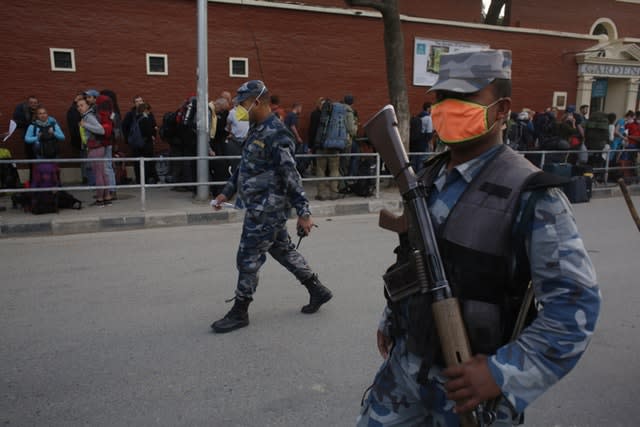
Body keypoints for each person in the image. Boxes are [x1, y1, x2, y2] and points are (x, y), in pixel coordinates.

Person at [357, 49, 601, 426]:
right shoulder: (427, 176)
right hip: (405, 370)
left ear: (502, 109)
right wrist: (392, 316)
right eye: (441, 98)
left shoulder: (533, 195)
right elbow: (413, 258)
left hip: (471, 388)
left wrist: (502, 372)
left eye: (465, 99)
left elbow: (574, 309)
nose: (447, 108)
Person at [210, 80, 332, 334]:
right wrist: (225, 192)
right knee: (283, 250)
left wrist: (304, 212)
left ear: (258, 101)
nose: (240, 109)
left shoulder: (277, 133)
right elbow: (244, 166)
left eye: (243, 103)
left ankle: (240, 311)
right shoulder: (256, 129)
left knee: (248, 257)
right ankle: (317, 290)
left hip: (267, 209)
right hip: (260, 206)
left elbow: (290, 175)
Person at [77, 98, 111, 207]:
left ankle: (100, 199)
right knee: (102, 172)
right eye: (78, 106)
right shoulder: (88, 116)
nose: (79, 108)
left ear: (88, 106)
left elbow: (101, 130)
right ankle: (107, 197)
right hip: (98, 147)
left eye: (82, 105)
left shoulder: (89, 117)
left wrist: (84, 125)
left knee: (98, 174)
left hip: (95, 148)